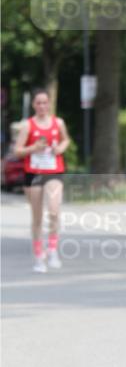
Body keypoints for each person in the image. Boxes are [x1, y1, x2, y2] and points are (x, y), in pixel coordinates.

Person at [14, 88, 71, 273]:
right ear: (33, 105)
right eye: (38, 103)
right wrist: (34, 147)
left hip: (54, 171)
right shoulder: (28, 126)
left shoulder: (58, 123)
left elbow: (65, 140)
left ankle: (52, 249)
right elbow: (17, 151)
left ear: (49, 104)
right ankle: (39, 256)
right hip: (33, 173)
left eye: (44, 102)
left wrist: (60, 149)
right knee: (37, 217)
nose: (41, 106)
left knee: (54, 211)